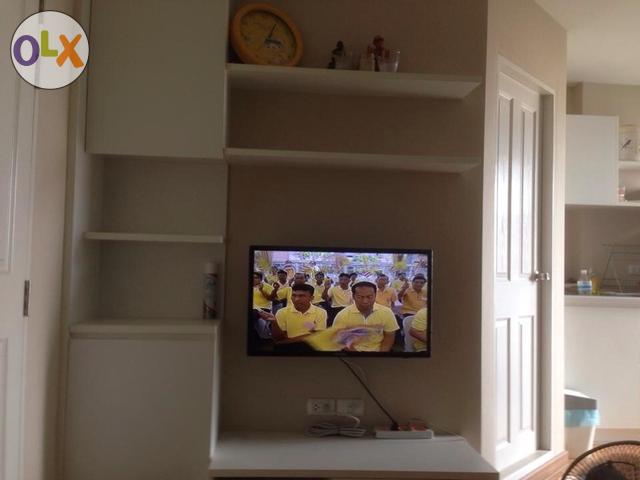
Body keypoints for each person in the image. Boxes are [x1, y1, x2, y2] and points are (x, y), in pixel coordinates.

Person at [332, 281, 399, 352]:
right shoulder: (343, 315)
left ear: (375, 295)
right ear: (353, 297)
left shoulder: (386, 312)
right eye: (360, 297)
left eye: (369, 297)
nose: (365, 301)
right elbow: (342, 340)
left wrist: (380, 355)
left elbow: (389, 337)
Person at [259, 284, 327, 345]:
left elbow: (318, 336)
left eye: (301, 296)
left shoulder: (320, 312)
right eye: (293, 295)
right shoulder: (282, 312)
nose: (296, 299)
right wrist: (274, 322)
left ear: (311, 298)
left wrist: (286, 341)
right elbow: (278, 338)